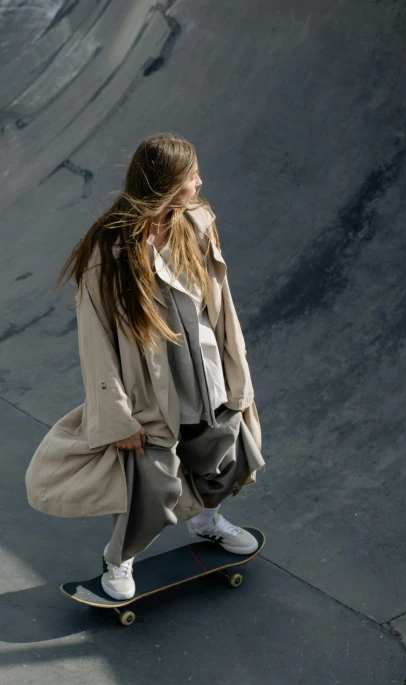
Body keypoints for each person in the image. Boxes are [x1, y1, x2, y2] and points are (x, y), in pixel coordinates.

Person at [24, 132, 265, 601]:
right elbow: (95, 339)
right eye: (191, 175)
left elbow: (223, 305)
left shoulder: (196, 222)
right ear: (167, 183)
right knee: (153, 482)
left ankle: (207, 521)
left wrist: (237, 373)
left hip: (205, 369)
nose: (200, 182)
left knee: (224, 454)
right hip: (150, 386)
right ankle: (119, 559)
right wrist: (117, 415)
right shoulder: (109, 248)